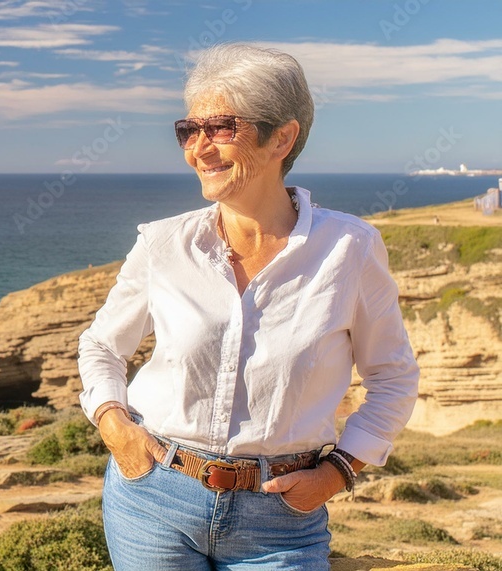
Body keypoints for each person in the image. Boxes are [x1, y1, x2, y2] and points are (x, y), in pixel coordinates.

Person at [77, 43, 419, 570]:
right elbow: (101, 345)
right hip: (152, 498)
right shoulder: (164, 244)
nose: (198, 149)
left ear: (282, 137)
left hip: (281, 516)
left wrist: (337, 474)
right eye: (189, 131)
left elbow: (393, 377)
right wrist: (115, 429)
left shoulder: (350, 249)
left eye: (220, 128)